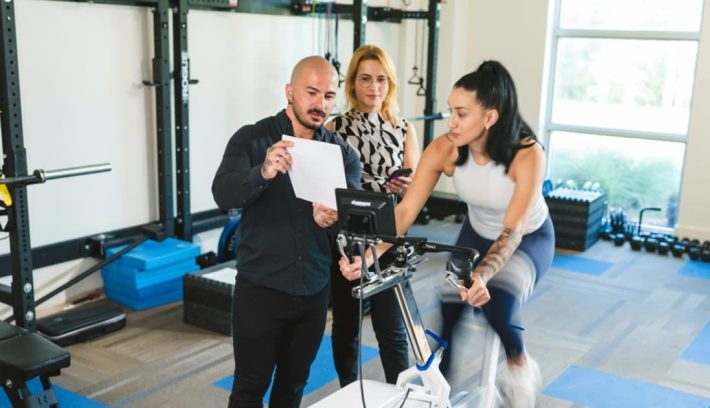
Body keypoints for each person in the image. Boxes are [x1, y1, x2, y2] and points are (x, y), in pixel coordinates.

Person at [338, 60, 554, 407]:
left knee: (497, 299)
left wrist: (483, 274)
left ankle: (519, 362)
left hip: (529, 237)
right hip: (477, 232)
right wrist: (368, 257)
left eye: (462, 113)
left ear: (489, 118)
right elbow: (405, 211)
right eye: (450, 111)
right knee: (450, 307)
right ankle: (444, 397)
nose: (451, 122)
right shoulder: (445, 149)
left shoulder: (526, 153)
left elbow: (512, 231)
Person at [212, 56, 362, 408]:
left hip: (312, 290)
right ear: (289, 92)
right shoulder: (251, 138)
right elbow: (223, 193)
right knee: (249, 389)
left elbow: (353, 224)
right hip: (260, 290)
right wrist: (262, 172)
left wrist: (336, 219)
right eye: (311, 93)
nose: (320, 104)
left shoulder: (343, 155)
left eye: (328, 96)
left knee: (294, 387)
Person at [326, 44, 420, 386]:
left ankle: (401, 393)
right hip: (347, 235)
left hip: (390, 235)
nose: (373, 86)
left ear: (390, 83)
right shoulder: (335, 128)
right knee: (347, 325)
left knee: (391, 327)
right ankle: (348, 390)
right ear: (353, 83)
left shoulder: (404, 128)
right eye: (365, 78)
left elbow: (416, 189)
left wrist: (402, 187)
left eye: (381, 79)